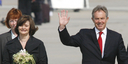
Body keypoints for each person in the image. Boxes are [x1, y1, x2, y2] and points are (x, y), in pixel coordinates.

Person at [58, 5, 127, 64]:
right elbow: (67, 41)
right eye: (97, 19)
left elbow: (123, 60)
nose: (100, 21)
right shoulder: (84, 34)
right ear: (92, 19)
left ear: (107, 19)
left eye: (102, 18)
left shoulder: (116, 37)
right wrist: (62, 27)